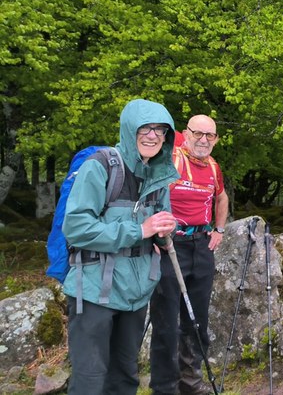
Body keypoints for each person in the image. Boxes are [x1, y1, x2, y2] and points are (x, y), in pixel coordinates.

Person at [63, 99, 178, 395]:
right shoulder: (100, 166)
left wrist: (164, 231)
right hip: (93, 293)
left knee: (125, 377)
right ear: (129, 130)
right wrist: (140, 230)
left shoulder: (158, 176)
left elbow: (158, 231)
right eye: (145, 128)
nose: (153, 136)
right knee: (90, 380)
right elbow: (75, 227)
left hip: (135, 293)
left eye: (160, 130)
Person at [149, 115, 228, 395]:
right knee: (166, 322)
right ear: (187, 133)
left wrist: (219, 229)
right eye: (198, 134)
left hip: (201, 245)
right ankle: (164, 388)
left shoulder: (213, 167)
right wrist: (151, 235)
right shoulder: (170, 160)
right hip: (171, 245)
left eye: (210, 135)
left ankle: (191, 384)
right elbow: (148, 196)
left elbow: (221, 196)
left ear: (216, 139)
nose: (204, 140)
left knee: (197, 321)